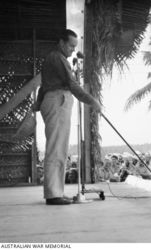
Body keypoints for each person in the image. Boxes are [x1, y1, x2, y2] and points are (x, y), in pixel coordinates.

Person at [36, 29, 101, 205]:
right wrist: (92, 101)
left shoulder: (56, 59)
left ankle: (56, 191)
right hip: (57, 101)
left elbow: (44, 86)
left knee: (59, 149)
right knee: (56, 149)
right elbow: (72, 84)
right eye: (71, 45)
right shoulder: (57, 58)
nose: (73, 49)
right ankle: (53, 195)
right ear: (62, 42)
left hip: (56, 101)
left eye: (75, 46)